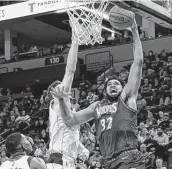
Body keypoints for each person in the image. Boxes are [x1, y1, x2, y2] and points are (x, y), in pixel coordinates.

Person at [52, 14, 145, 169]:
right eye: (110, 84)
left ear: (124, 88)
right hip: (108, 162)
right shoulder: (96, 106)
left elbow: (138, 62)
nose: (113, 86)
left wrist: (134, 30)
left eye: (117, 84)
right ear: (105, 90)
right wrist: (61, 101)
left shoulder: (127, 99)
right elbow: (70, 120)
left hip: (129, 158)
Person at [47, 33, 89, 169]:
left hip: (66, 160)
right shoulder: (56, 104)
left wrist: (82, 150)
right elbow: (70, 70)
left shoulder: (66, 112)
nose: (65, 87)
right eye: (60, 85)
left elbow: (69, 137)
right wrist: (75, 41)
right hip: (59, 160)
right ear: (53, 93)